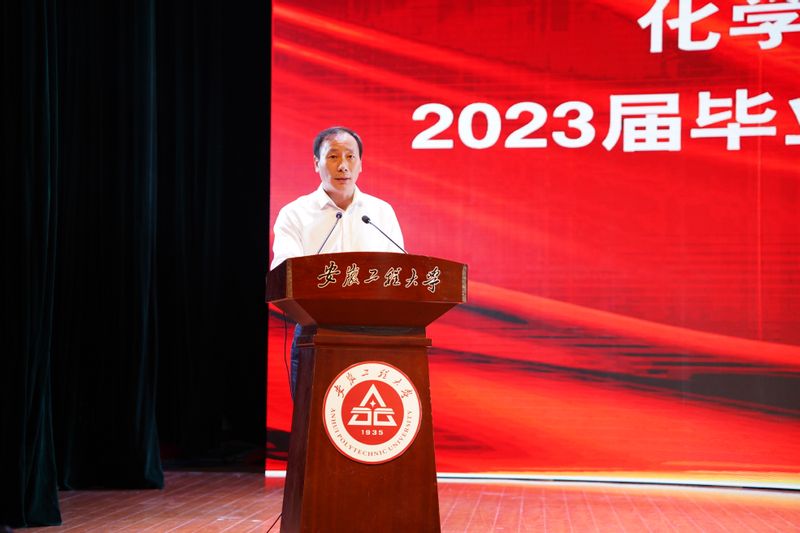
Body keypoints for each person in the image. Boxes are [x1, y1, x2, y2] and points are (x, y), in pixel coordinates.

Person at [270, 126, 405, 396]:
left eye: (350, 157)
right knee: (312, 416)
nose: (343, 166)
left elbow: (400, 273)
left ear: (360, 164)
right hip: (315, 332)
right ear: (316, 163)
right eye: (333, 157)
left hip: (373, 333)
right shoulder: (295, 213)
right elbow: (283, 274)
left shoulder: (381, 212)